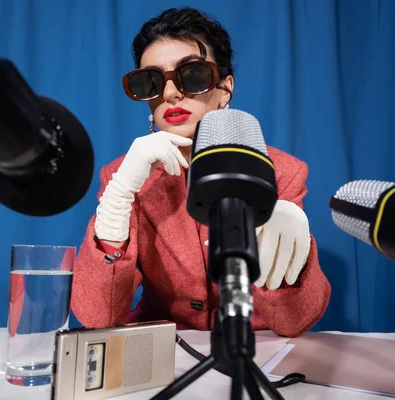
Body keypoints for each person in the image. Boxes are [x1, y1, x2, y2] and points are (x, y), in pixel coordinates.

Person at [71, 7, 331, 337]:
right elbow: (99, 317)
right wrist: (119, 194)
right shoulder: (124, 176)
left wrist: (291, 252)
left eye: (192, 75)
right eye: (151, 81)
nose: (169, 93)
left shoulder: (282, 172)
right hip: (165, 353)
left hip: (256, 350)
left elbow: (295, 321)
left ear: (224, 89)